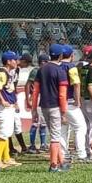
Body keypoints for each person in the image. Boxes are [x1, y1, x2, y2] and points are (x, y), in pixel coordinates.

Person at [30, 44, 70, 172]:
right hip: (55, 107)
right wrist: (64, 112)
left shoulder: (41, 69)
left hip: (44, 106)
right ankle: (54, 165)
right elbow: (62, 94)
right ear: (60, 56)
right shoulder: (60, 71)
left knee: (54, 134)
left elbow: (35, 91)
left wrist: (34, 109)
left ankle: (62, 161)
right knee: (55, 137)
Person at [0, 51, 23, 169]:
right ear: (8, 61)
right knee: (3, 133)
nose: (16, 62)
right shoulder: (3, 72)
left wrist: (15, 102)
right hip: (3, 108)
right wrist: (2, 99)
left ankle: (6, 158)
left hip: (9, 106)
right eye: (14, 60)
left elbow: (10, 89)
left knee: (8, 132)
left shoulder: (9, 72)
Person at [60, 45, 88, 164]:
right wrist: (77, 100)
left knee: (63, 128)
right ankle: (81, 154)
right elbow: (76, 84)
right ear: (71, 56)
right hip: (70, 101)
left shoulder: (55, 66)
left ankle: (63, 154)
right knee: (80, 127)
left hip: (58, 101)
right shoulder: (71, 67)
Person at [25, 54, 50, 154]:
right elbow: (28, 85)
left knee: (43, 123)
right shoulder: (36, 71)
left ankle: (43, 144)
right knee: (35, 122)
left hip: (43, 97)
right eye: (47, 61)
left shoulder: (46, 71)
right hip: (36, 97)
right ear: (43, 62)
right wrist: (28, 99)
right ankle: (32, 145)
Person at [7, 53, 31, 155]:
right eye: (27, 64)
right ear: (23, 61)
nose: (27, 66)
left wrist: (15, 100)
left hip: (12, 98)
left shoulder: (17, 69)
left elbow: (14, 87)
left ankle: (23, 147)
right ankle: (10, 148)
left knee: (17, 123)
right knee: (8, 125)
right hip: (7, 99)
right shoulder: (10, 69)